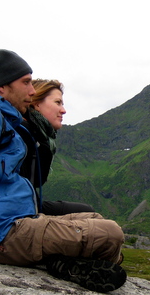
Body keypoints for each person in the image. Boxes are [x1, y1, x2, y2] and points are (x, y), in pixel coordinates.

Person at [0, 49, 126, 293]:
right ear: (1, 86)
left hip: (14, 223)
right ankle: (72, 266)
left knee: (95, 220)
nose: (32, 91)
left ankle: (67, 265)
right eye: (26, 82)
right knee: (109, 233)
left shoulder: (2, 116)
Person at [18, 78, 95, 215]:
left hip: (30, 204)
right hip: (20, 211)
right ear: (36, 104)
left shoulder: (39, 136)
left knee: (87, 212)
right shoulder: (23, 133)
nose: (63, 110)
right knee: (94, 221)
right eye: (57, 103)